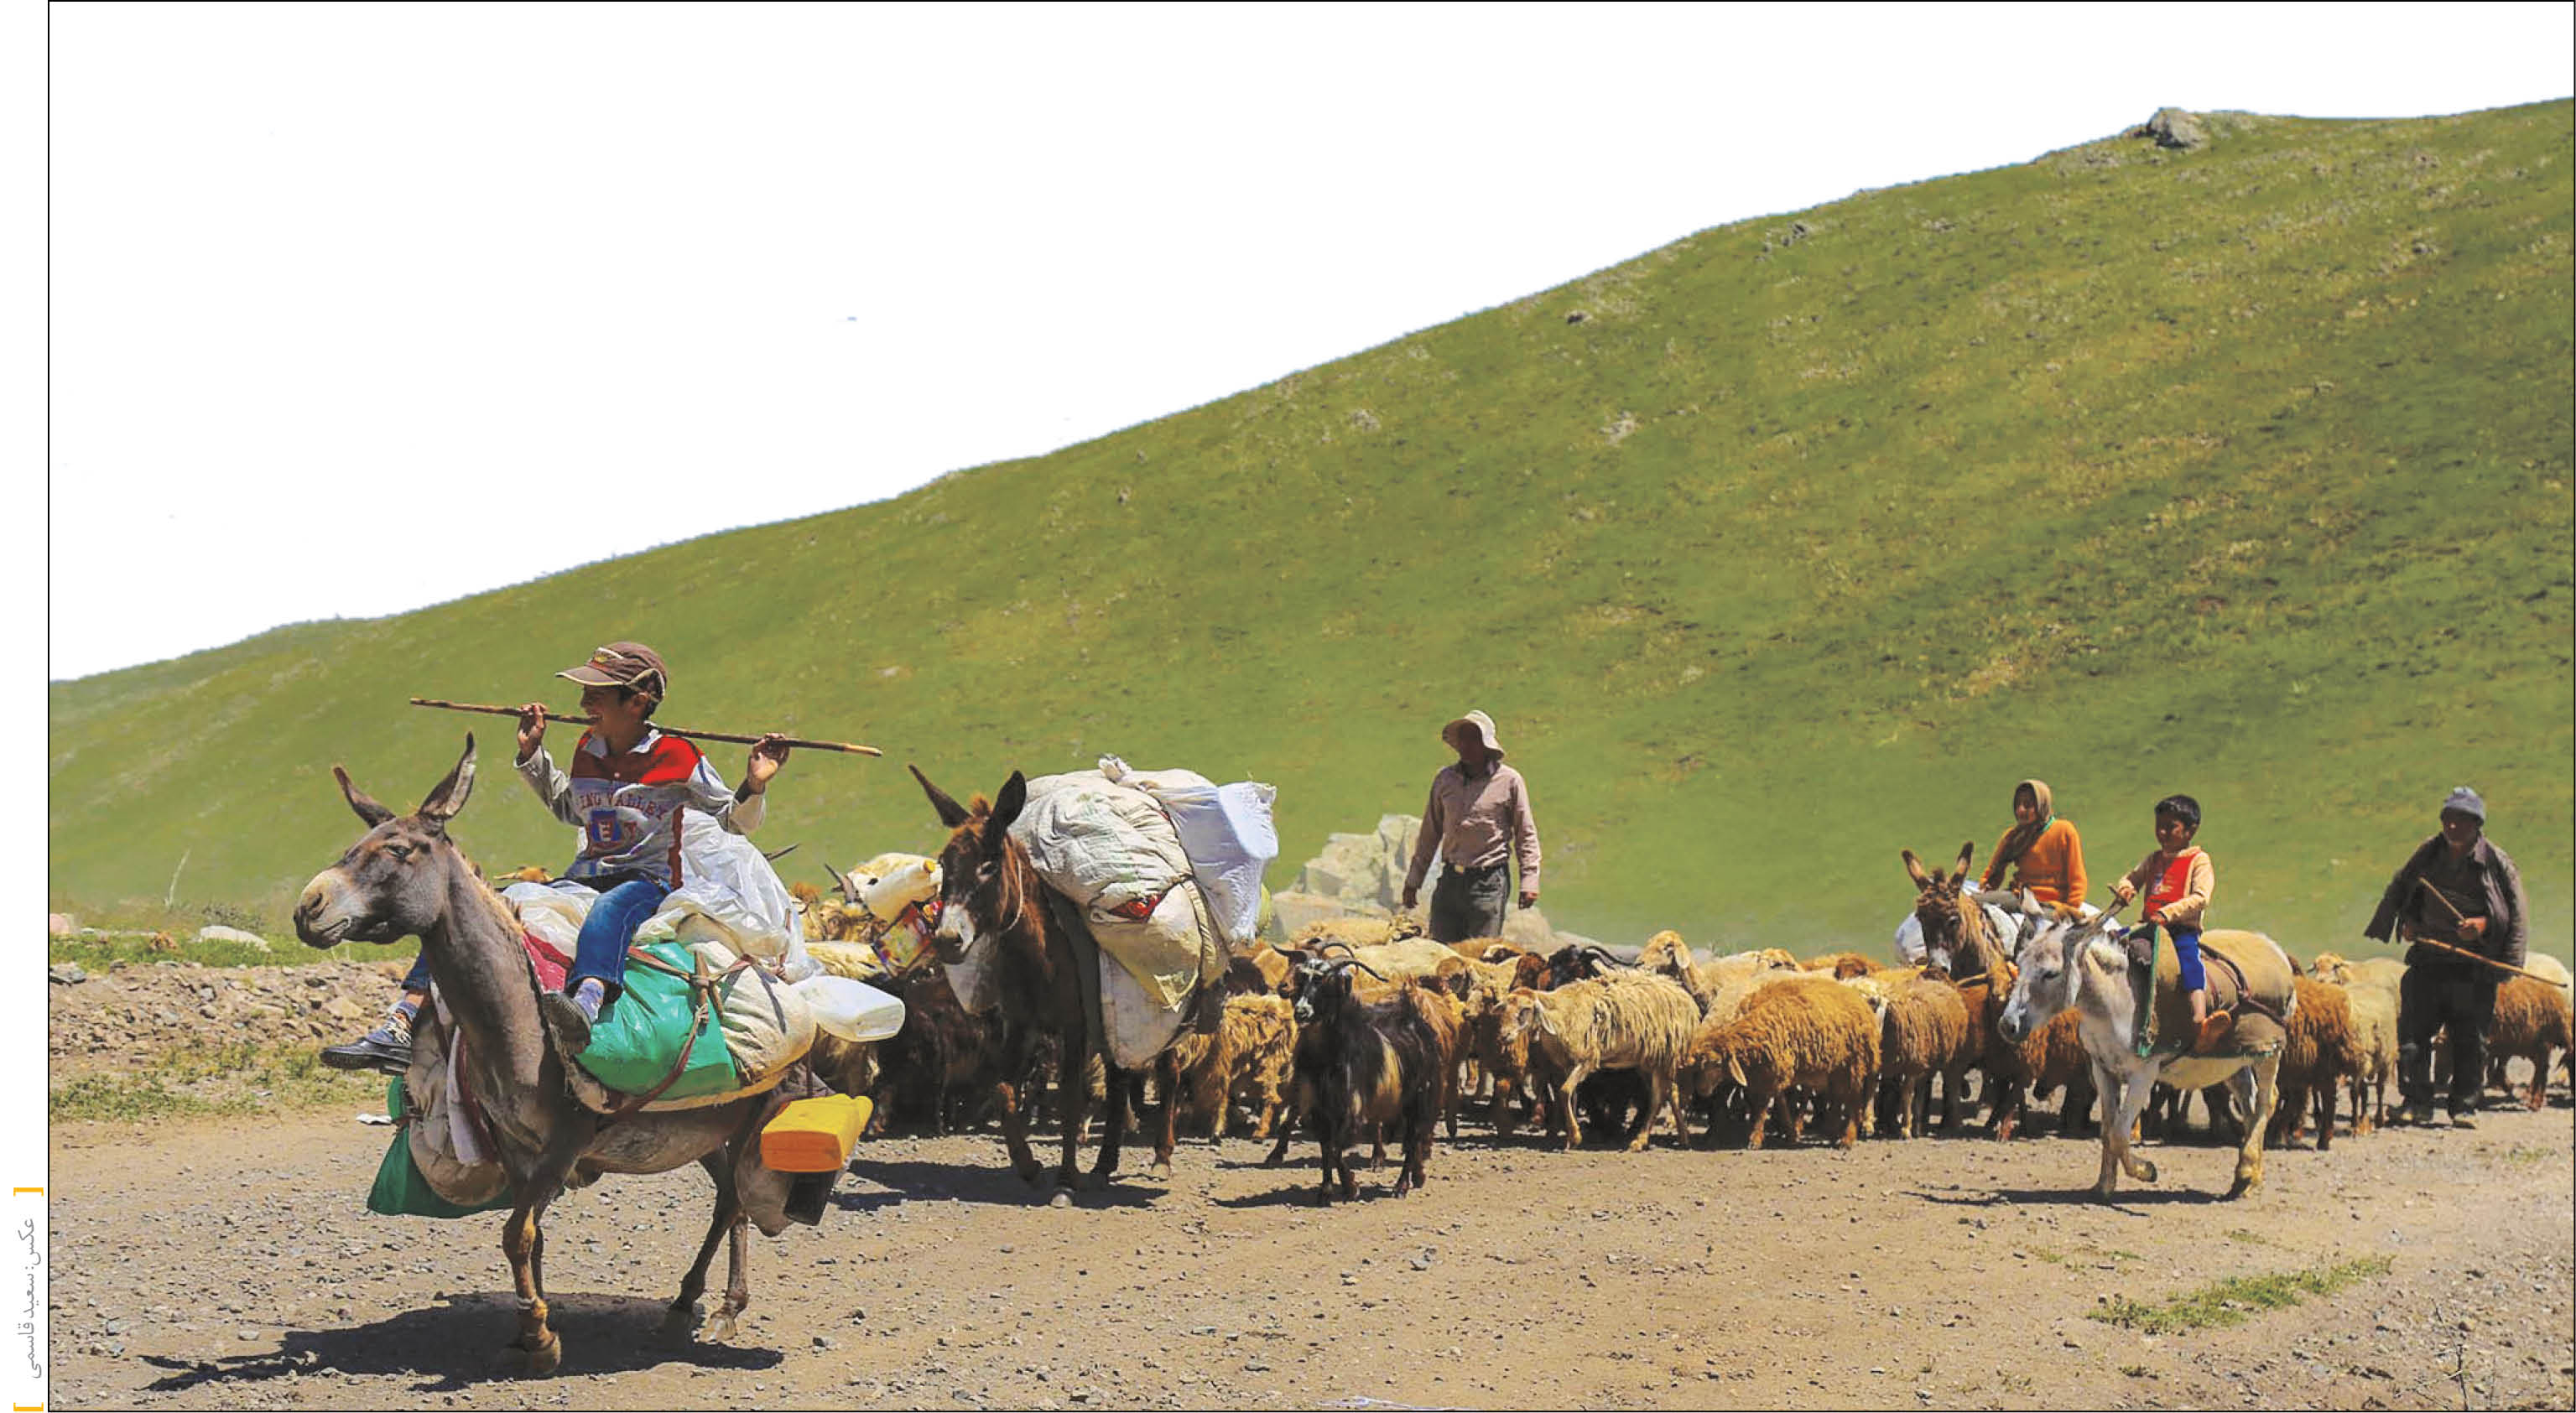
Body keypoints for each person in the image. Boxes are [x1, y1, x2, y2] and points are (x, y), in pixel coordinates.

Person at [321, 642, 789, 1071]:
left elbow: (734, 820)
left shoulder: (678, 756)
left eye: (597, 695)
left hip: (645, 881)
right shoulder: (589, 748)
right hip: (583, 876)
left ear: (637, 701)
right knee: (478, 910)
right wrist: (534, 755)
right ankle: (402, 1021)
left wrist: (756, 781)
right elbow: (571, 809)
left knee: (609, 911)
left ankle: (584, 1005)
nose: (584, 705)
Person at [2364, 787, 2530, 1129]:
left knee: (2470, 1040)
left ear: (2477, 824)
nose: (2452, 827)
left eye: (2461, 821)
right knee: (2412, 1036)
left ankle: (2465, 1106)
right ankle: (2417, 1102)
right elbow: (2404, 887)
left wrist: (2483, 926)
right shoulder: (2428, 853)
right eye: (2448, 820)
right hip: (2428, 958)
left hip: (2472, 968)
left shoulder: (2496, 862)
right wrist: (2407, 921)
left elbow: (2514, 911)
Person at [1399, 710, 1541, 944]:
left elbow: (1526, 833)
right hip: (1450, 881)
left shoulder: (1509, 781)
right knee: (1439, 955)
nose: (1465, 746)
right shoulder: (1445, 780)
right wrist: (1414, 880)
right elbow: (1429, 833)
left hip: (1488, 883)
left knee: (1479, 959)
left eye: (1473, 739)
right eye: (1462, 740)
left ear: (1486, 744)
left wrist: (1529, 881)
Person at [2108, 794, 2225, 1054]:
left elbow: (2201, 897)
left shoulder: (2199, 860)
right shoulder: (2154, 859)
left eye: (2170, 827)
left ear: (2190, 830)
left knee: (2189, 962)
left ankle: (2199, 1019)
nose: (2162, 832)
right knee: (2111, 942)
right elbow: (2131, 878)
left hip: (2181, 929)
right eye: (2159, 826)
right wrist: (2126, 889)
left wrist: (2168, 913)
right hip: (2148, 926)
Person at [1976, 778, 2088, 909]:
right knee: (1973, 902)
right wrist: (1985, 888)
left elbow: (2077, 878)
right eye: (2017, 805)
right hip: (2018, 897)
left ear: (2042, 805)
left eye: (2028, 805)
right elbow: (1992, 872)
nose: (2020, 810)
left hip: (2049, 903)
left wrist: (2071, 909)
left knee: (2029, 928)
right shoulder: (2013, 836)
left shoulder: (2064, 831)